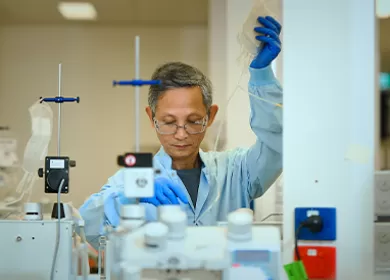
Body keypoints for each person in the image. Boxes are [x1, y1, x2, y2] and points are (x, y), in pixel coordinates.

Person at [79, 16, 283, 246]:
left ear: (211, 116)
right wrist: (126, 197)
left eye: (194, 121)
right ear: (151, 117)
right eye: (168, 122)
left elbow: (278, 143)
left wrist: (263, 74)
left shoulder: (235, 172)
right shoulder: (134, 179)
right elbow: (84, 225)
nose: (181, 134)